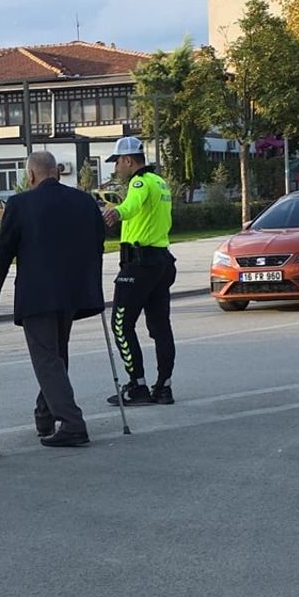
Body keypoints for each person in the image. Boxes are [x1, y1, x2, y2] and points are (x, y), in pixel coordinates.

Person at [0, 150, 105, 447]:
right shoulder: (84, 201)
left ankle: (72, 423)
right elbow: (97, 242)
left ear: (31, 175)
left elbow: (3, 252)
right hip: (73, 292)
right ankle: (45, 415)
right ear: (57, 172)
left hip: (37, 294)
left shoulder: (20, 204)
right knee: (57, 355)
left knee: (47, 358)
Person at [102, 136, 176, 407]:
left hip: (139, 264)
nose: (116, 168)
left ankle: (137, 386)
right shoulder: (160, 182)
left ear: (129, 160)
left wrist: (115, 213)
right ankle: (164, 386)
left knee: (121, 324)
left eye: (117, 162)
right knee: (160, 326)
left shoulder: (139, 182)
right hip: (162, 262)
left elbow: (131, 207)